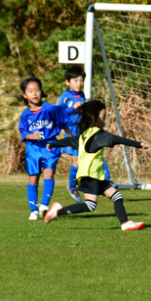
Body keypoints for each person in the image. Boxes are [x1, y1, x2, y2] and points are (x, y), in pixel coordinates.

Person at [42, 101, 149, 230]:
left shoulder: (83, 135)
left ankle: (125, 224)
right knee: (90, 205)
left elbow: (69, 140)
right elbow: (117, 139)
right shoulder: (99, 135)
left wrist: (53, 144)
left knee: (117, 196)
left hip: (92, 175)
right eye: (103, 118)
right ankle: (57, 211)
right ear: (94, 118)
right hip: (90, 175)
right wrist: (139, 144)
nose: (104, 121)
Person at [55, 66, 109, 202]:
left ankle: (106, 181)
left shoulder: (82, 95)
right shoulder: (65, 97)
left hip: (84, 130)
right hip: (72, 131)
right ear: (68, 82)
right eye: (75, 80)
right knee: (77, 161)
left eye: (81, 80)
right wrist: (72, 108)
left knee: (95, 154)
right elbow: (58, 114)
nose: (79, 83)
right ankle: (72, 186)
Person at [18, 77, 67, 220]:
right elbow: (23, 132)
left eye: (37, 90)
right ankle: (33, 209)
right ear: (24, 95)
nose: (35, 94)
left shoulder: (50, 109)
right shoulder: (25, 114)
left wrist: (71, 139)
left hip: (49, 146)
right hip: (33, 149)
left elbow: (64, 122)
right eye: (30, 91)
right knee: (33, 178)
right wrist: (30, 136)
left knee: (49, 175)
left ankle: (44, 206)